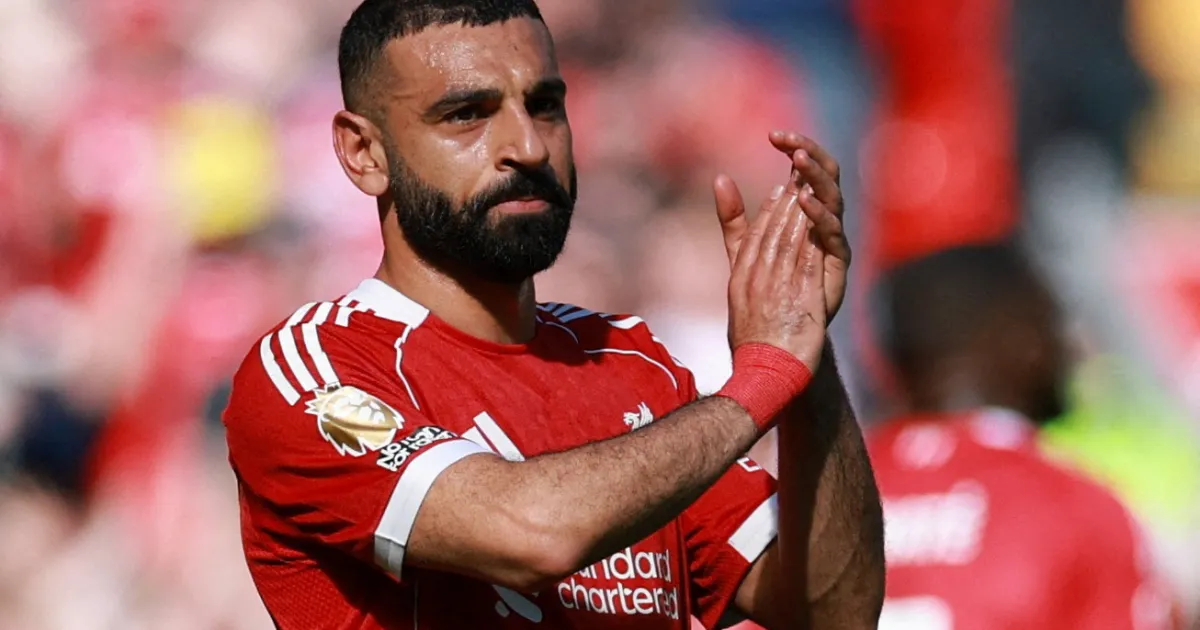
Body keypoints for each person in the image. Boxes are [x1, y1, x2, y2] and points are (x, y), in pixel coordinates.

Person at [221, 1, 885, 628]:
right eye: (466, 114)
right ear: (364, 153)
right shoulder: (313, 372)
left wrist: (805, 354)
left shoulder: (632, 362)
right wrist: (766, 377)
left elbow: (833, 612)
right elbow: (532, 535)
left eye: (544, 106)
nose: (529, 147)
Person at [868, 244, 1178, 630]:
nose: (1070, 349)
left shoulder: (816, 492)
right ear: (1021, 340)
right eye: (1054, 323)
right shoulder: (1076, 508)